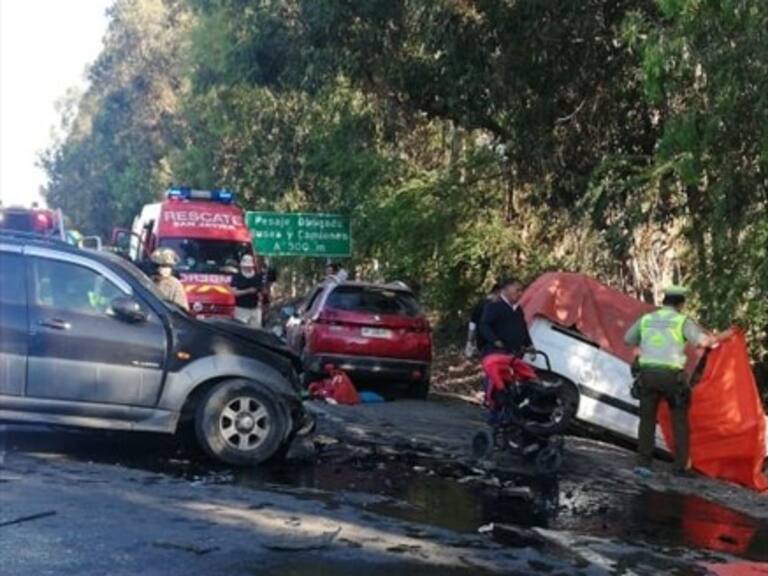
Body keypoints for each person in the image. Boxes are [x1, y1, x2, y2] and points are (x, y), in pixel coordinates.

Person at [624, 285, 732, 477]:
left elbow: (628, 339)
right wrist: (726, 335)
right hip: (672, 378)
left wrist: (646, 346)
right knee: (679, 421)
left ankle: (643, 464)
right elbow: (705, 342)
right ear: (681, 304)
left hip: (647, 375)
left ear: (664, 301)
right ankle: (680, 466)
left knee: (647, 420)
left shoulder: (647, 319)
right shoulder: (681, 321)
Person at [478, 278, 533, 358]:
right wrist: (495, 341)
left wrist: (529, 344)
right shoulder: (494, 305)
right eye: (517, 290)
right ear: (506, 290)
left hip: (515, 353)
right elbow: (484, 325)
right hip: (497, 353)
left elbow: (523, 327)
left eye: (521, 291)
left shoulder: (518, 309)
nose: (520, 294)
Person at [464, 283, 501, 358]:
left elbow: (472, 325)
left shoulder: (479, 305)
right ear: (497, 292)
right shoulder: (498, 306)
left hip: (481, 342)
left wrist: (469, 341)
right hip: (495, 341)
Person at [231, 254, 262, 327]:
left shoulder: (257, 277)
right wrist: (247, 291)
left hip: (255, 309)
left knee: (255, 329)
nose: (248, 268)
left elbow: (260, 291)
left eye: (249, 267)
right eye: (246, 267)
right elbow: (234, 292)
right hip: (241, 309)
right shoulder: (237, 277)